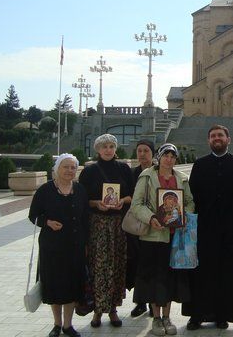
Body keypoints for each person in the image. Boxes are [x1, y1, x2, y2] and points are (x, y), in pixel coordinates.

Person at [183, 124, 233, 330]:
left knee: (227, 273)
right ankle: (196, 314)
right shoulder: (200, 165)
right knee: (201, 272)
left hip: (230, 229)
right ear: (208, 140)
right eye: (213, 136)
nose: (216, 138)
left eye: (220, 135)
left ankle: (222, 314)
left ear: (229, 139)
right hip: (204, 228)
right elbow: (191, 196)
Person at [130, 143, 194, 336]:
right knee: (153, 277)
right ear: (159, 157)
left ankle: (167, 316)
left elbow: (189, 201)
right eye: (166, 155)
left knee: (170, 278)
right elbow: (136, 204)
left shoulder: (181, 179)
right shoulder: (147, 177)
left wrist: (183, 216)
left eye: (172, 156)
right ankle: (156, 318)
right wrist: (151, 218)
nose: (169, 159)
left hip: (174, 237)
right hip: (153, 236)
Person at [29, 153, 89, 337]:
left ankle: (68, 325)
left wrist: (86, 244)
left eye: (73, 167)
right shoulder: (45, 190)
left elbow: (85, 218)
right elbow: (34, 215)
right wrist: (47, 222)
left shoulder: (79, 190)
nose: (69, 171)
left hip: (75, 246)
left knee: (72, 286)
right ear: (57, 169)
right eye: (66, 167)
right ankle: (56, 323)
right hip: (52, 247)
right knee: (55, 285)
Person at [78, 133, 133, 328]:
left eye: (111, 146)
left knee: (116, 265)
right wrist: (96, 203)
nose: (108, 150)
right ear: (98, 150)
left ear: (115, 148)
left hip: (118, 224)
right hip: (98, 224)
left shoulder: (124, 169)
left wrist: (122, 202)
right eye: (104, 147)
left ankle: (113, 309)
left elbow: (133, 195)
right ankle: (97, 310)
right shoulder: (90, 171)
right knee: (99, 266)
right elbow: (82, 199)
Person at [129, 139, 156, 318]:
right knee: (139, 264)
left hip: (155, 226)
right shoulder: (131, 173)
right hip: (137, 226)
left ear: (153, 154)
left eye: (146, 151)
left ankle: (155, 304)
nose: (142, 154)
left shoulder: (159, 172)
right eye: (139, 151)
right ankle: (141, 302)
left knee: (154, 265)